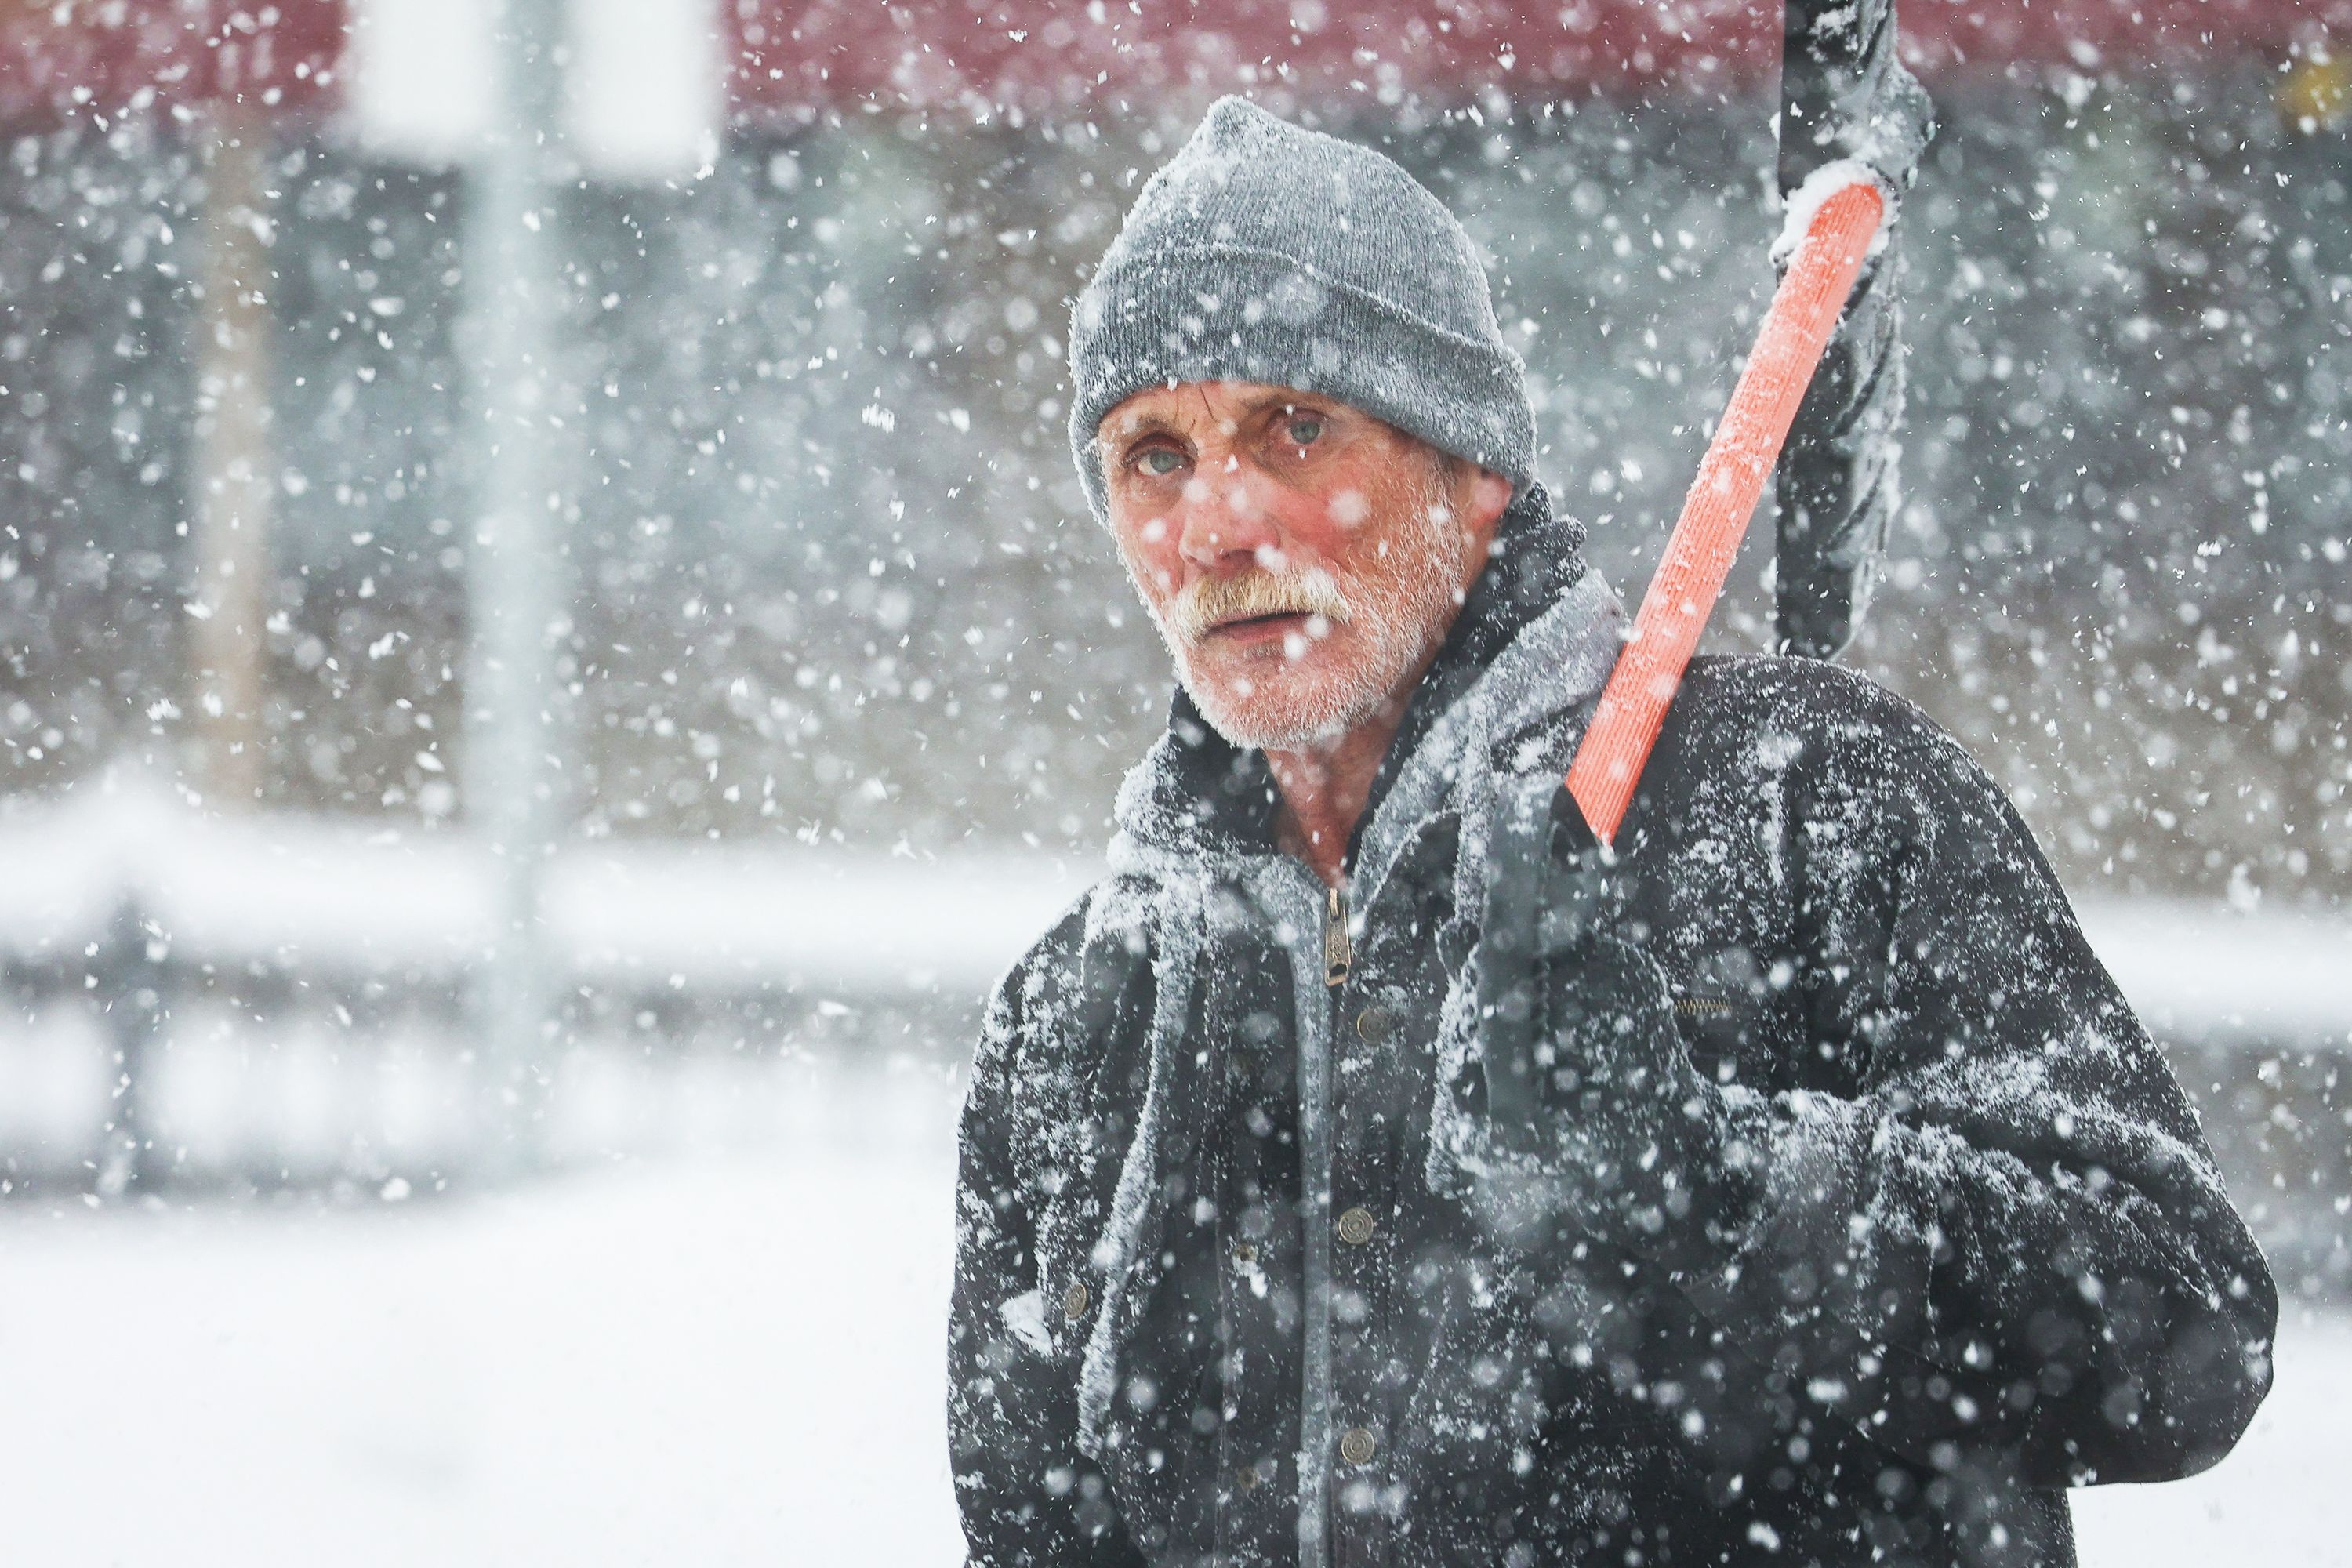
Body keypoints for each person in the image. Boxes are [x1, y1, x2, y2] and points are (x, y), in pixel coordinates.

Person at [946, 96, 2274, 1568]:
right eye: (1153, 455)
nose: (1217, 523)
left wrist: (1713, 1191)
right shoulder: (1084, 1016)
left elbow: (2187, 1338)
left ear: (1473, 472)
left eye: (1295, 424)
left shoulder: (1803, 805)